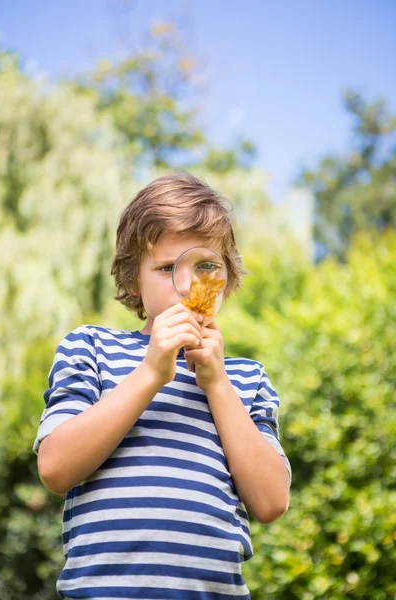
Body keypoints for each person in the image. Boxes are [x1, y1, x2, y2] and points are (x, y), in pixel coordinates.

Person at [34, 171, 292, 600]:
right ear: (134, 279)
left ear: (226, 278)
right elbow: (56, 468)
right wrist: (152, 372)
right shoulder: (91, 349)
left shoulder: (247, 379)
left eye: (205, 265)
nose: (188, 284)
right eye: (167, 268)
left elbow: (270, 503)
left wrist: (217, 383)